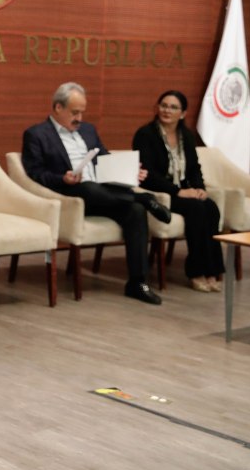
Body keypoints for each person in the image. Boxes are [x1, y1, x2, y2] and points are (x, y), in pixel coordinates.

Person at [21, 82, 171, 305]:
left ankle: (137, 283)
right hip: (72, 197)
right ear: (58, 108)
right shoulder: (36, 134)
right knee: (89, 188)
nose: (79, 118)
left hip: (105, 194)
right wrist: (62, 178)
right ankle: (144, 197)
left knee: (136, 211)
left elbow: (104, 160)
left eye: (82, 112)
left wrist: (130, 172)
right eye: (74, 112)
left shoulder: (88, 130)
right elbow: (35, 173)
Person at [133, 90, 225, 292]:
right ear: (157, 108)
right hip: (159, 193)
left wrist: (199, 188)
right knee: (196, 209)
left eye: (173, 107)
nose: (167, 110)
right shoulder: (145, 135)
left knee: (211, 207)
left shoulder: (187, 136)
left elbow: (194, 168)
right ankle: (196, 272)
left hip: (181, 191)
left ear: (182, 113)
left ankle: (212, 271)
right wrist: (177, 192)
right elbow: (148, 174)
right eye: (164, 105)